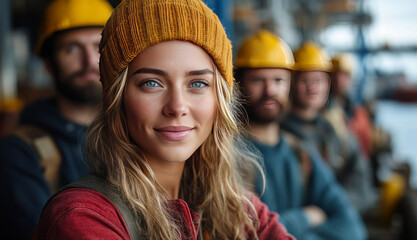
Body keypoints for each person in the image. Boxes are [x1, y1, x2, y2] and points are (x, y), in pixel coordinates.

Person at [32, 0, 295, 239]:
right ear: (117, 97)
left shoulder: (238, 207)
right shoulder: (83, 217)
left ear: (220, 99)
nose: (177, 107)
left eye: (198, 83)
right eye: (151, 83)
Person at [236, 30, 366, 240]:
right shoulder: (226, 156)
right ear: (239, 85)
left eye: (278, 80)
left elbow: (352, 227)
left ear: (289, 85)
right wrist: (306, 218)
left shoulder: (300, 152)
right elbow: (246, 233)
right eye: (258, 80)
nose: (270, 90)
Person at [0, 0, 113, 239]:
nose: (89, 61)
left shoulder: (136, 134)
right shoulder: (20, 152)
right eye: (71, 48)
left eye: (99, 47)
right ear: (49, 63)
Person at [281, 41, 377, 213]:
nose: (312, 87)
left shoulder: (334, 129)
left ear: (328, 84)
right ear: (290, 84)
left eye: (319, 80)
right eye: (305, 80)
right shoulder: (278, 133)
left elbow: (360, 177)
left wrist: (336, 207)